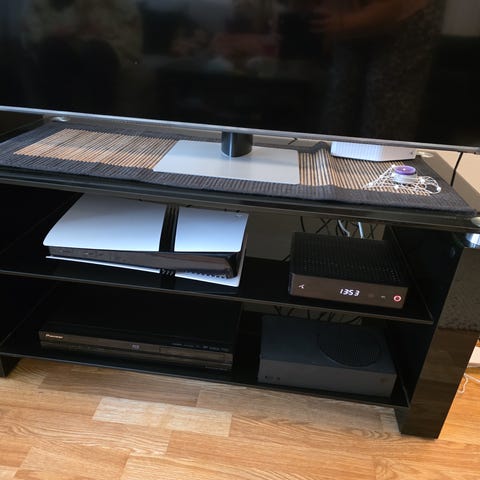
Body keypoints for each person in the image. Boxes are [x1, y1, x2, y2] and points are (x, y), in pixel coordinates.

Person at [310, 0, 446, 142]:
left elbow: (392, 8)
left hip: (407, 15)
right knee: (340, 91)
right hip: (353, 11)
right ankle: (328, 151)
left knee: (384, 100)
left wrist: (342, 24)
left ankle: (382, 153)